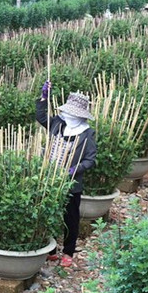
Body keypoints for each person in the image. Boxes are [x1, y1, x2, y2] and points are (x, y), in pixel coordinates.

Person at [36, 82, 97, 269]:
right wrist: (44, 97)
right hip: (50, 179)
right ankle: (51, 249)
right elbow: (40, 116)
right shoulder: (57, 123)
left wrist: (74, 169)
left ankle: (68, 251)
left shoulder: (87, 134)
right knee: (49, 213)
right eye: (68, 112)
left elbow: (90, 160)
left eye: (74, 114)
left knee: (70, 217)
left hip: (71, 184)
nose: (70, 116)